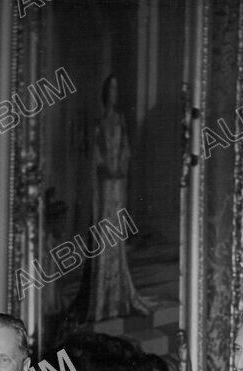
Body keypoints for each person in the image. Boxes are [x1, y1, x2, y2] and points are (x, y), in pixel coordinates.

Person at [86, 73, 149, 322]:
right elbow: (95, 154)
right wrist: (106, 168)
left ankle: (119, 294)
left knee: (116, 233)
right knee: (105, 232)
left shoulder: (120, 119)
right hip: (104, 185)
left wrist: (120, 167)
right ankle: (103, 300)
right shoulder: (99, 121)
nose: (114, 93)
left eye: (116, 89)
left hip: (117, 184)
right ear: (105, 92)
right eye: (110, 89)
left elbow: (125, 149)